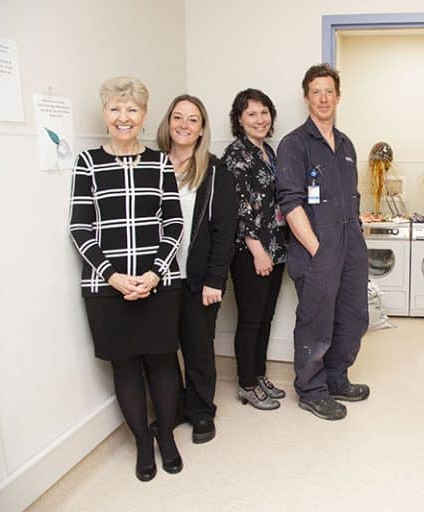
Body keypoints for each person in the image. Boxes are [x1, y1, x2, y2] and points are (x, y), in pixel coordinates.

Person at [69, 77, 184, 481]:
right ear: (105, 113)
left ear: (144, 115)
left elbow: (173, 222)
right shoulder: (88, 163)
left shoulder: (159, 162)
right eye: (116, 109)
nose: (123, 118)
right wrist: (114, 276)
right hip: (107, 289)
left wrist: (153, 274)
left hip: (157, 282)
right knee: (126, 367)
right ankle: (141, 443)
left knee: (163, 363)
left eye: (131, 110)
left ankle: (165, 437)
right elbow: (80, 228)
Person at [276, 63, 369, 421]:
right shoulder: (294, 144)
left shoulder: (345, 144)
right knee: (316, 320)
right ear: (306, 97)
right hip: (317, 249)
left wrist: (355, 239)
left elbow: (352, 196)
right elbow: (291, 202)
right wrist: (317, 249)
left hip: (351, 246)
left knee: (353, 316)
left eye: (329, 91)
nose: (323, 98)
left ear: (338, 96)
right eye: (316, 91)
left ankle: (336, 378)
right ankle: (312, 390)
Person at [157, 94, 237, 443]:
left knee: (198, 347)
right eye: (178, 117)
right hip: (158, 276)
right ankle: (173, 408)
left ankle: (202, 411)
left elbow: (225, 231)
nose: (184, 125)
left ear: (202, 128)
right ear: (168, 122)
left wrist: (215, 279)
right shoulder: (152, 165)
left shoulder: (216, 171)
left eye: (192, 119)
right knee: (162, 348)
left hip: (198, 277)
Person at [222, 89, 288, 410]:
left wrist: (273, 250)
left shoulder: (268, 152)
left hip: (276, 247)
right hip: (252, 251)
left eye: (264, 113)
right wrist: (257, 249)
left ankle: (259, 375)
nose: (260, 119)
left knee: (265, 317)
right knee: (250, 319)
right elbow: (239, 207)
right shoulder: (237, 155)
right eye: (252, 114)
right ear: (239, 119)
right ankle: (247, 384)